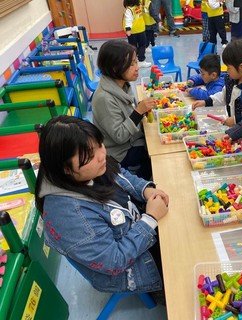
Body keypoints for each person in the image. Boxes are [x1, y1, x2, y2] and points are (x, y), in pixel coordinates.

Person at [35, 116, 169, 297]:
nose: (102, 155)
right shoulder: (68, 215)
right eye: (90, 156)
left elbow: (120, 174)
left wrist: (146, 190)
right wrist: (150, 219)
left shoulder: (87, 170)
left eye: (100, 144)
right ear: (66, 168)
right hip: (137, 268)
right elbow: (115, 261)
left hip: (142, 231)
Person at [92, 40, 155, 180]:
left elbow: (127, 112)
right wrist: (138, 112)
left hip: (132, 140)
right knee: (157, 153)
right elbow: (119, 136)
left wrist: (140, 109)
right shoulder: (104, 98)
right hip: (120, 153)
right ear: (115, 68)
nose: (137, 67)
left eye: (136, 61)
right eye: (131, 64)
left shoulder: (122, 84)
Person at [192, 40, 242, 126]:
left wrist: (235, 120)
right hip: (232, 127)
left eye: (228, 68)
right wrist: (206, 102)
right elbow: (223, 96)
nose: (227, 71)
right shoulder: (231, 79)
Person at [123, 0, 151, 68]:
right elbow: (128, 20)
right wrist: (128, 29)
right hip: (133, 31)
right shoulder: (129, 9)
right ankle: (137, 61)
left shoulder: (139, 6)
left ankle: (139, 60)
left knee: (140, 45)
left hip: (140, 30)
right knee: (135, 46)